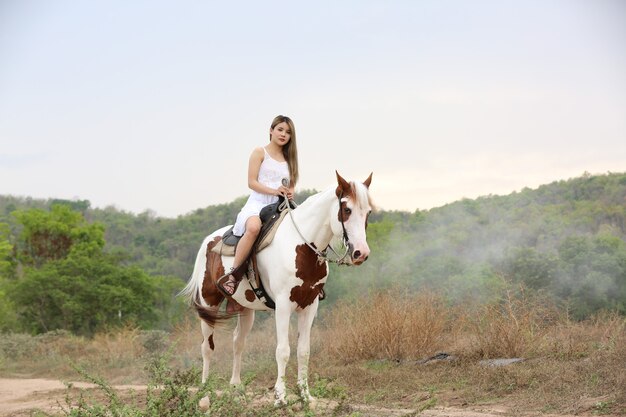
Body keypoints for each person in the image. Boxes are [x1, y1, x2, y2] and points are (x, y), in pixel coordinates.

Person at [216, 115, 299, 296]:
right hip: (258, 203)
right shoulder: (260, 152)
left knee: (301, 230)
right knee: (253, 228)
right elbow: (251, 182)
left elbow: (291, 183)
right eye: (280, 130)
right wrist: (274, 191)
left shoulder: (290, 157)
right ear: (271, 130)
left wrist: (290, 191)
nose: (283, 134)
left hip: (280, 206)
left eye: (288, 132)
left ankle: (307, 279)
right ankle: (233, 276)